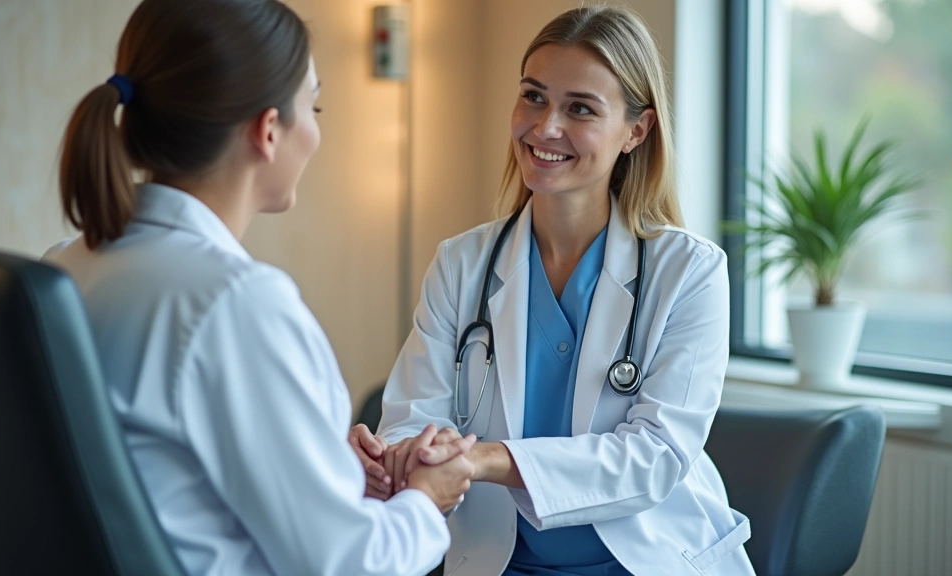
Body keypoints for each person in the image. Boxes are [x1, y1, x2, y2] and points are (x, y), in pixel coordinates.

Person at [43, 1, 476, 575]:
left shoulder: (64, 269)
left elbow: (160, 475)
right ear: (268, 130)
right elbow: (348, 564)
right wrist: (428, 499)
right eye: (314, 106)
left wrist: (323, 468)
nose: (317, 132)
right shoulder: (235, 303)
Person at [349, 6, 754, 576]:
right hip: (500, 560)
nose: (544, 128)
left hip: (643, 561)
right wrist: (398, 455)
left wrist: (487, 459)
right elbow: (415, 414)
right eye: (533, 97)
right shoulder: (461, 263)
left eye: (580, 108)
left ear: (636, 131)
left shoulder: (689, 272)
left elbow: (655, 457)